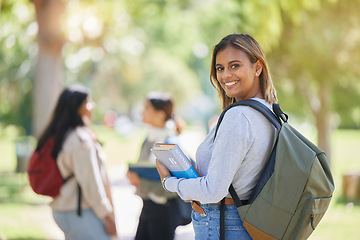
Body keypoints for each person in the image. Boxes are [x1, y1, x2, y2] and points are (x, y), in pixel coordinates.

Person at [156, 33, 278, 240]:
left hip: (223, 225)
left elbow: (213, 191)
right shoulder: (270, 111)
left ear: (257, 67)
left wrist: (169, 182)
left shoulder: (238, 116)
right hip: (249, 223)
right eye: (220, 68)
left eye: (235, 65)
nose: (225, 75)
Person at [36, 84, 117, 240]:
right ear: (78, 107)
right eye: (89, 101)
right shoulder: (80, 140)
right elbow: (90, 182)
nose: (93, 106)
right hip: (79, 213)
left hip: (66, 210)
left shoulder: (64, 135)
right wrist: (107, 214)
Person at [126, 92, 189, 240]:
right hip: (148, 206)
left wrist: (141, 181)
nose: (142, 112)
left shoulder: (171, 142)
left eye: (147, 108)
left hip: (165, 209)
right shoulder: (149, 138)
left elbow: (177, 184)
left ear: (160, 114)